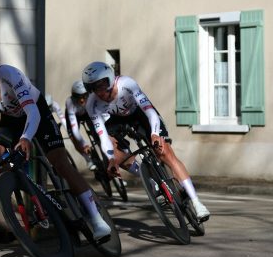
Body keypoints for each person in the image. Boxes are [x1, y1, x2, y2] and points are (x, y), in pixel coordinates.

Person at [0, 48, 112, 241]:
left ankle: (96, 218)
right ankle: (27, 189)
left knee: (60, 163)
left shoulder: (7, 74)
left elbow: (32, 112)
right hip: (11, 120)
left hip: (37, 112)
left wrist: (25, 138)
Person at [81, 61, 210, 222]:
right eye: (93, 88)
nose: (99, 91)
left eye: (102, 85)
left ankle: (197, 203)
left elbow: (149, 111)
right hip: (117, 120)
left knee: (165, 153)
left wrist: (155, 134)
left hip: (140, 114)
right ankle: (150, 179)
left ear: (110, 78)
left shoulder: (126, 84)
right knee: (116, 155)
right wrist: (111, 159)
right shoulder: (92, 104)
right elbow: (102, 136)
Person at [64, 80, 98, 171]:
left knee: (97, 131)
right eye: (78, 97)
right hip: (74, 116)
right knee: (74, 139)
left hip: (87, 114)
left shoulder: (92, 97)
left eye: (84, 96)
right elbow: (75, 130)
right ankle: (88, 160)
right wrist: (84, 144)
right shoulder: (70, 102)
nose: (82, 100)